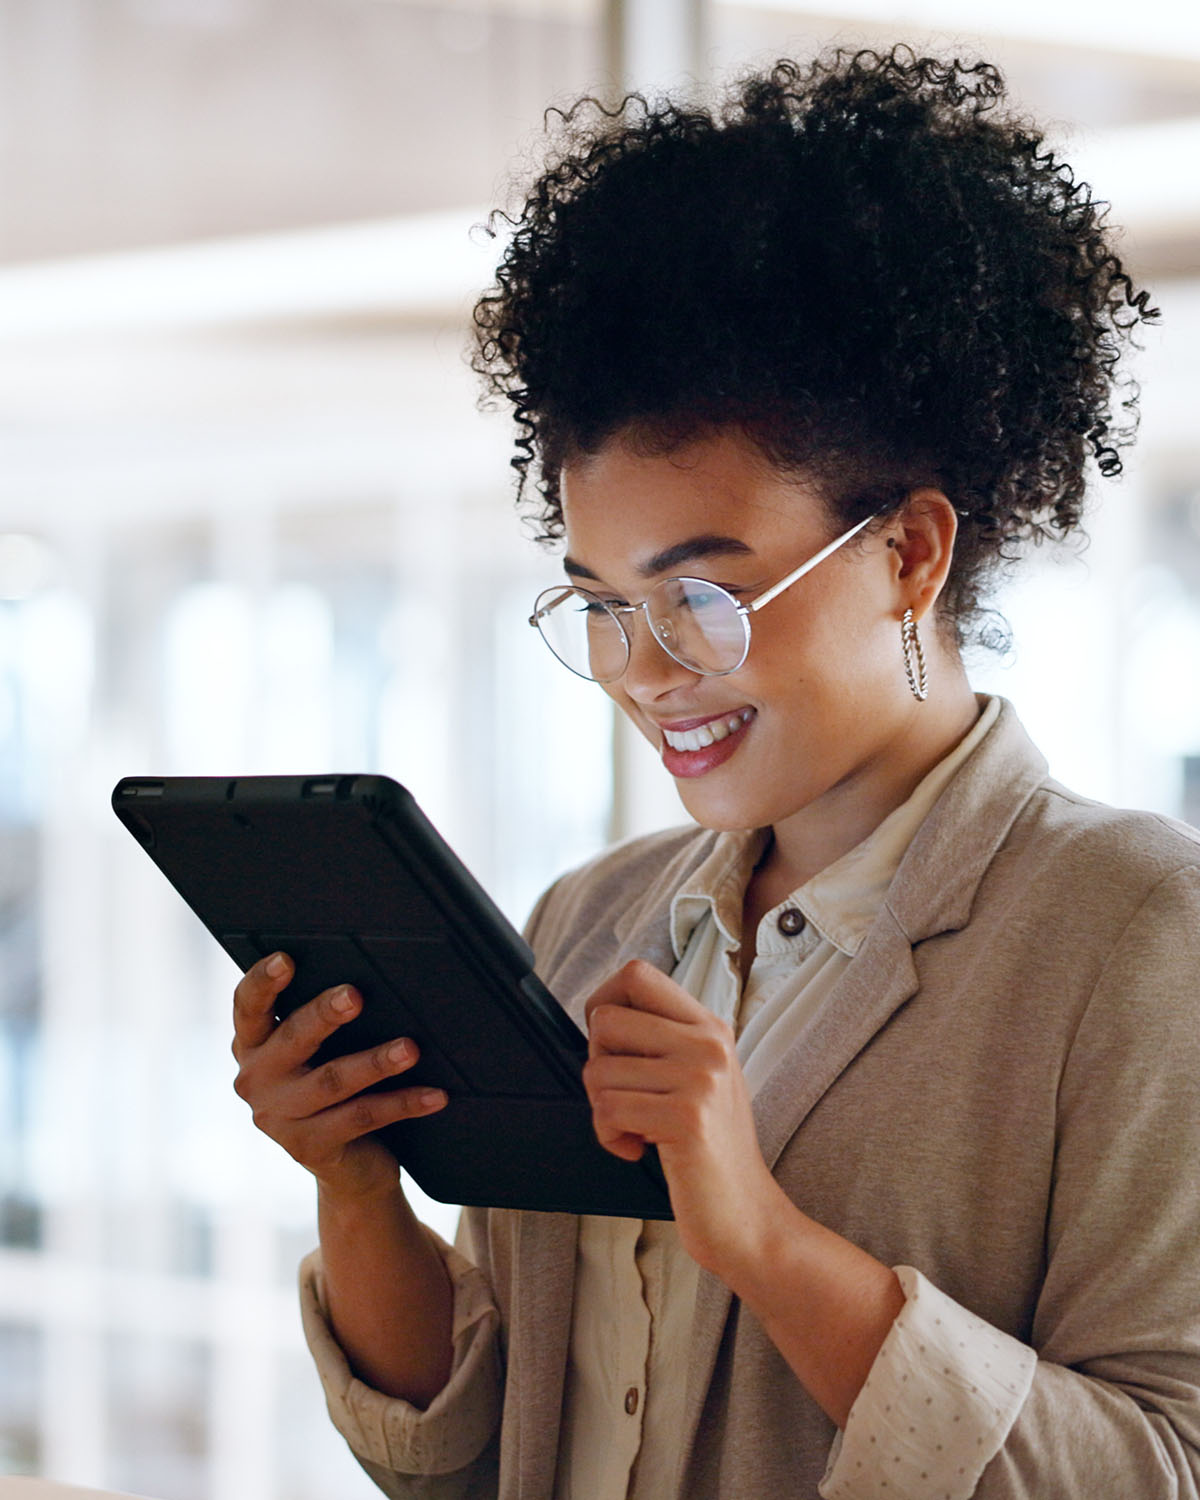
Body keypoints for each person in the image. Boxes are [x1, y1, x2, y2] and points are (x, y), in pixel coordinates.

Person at [230, 46, 1200, 1500]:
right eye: (602, 606)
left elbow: (1160, 1470)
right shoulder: (591, 924)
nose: (642, 669)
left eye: (701, 595)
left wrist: (760, 1235)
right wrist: (359, 1188)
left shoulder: (1134, 932)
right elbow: (487, 1455)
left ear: (909, 553)